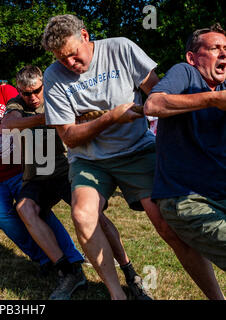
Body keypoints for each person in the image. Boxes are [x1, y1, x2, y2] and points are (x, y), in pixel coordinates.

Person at [42, 14, 225, 300]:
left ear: (86, 37)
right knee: (82, 214)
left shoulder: (121, 48)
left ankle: (215, 297)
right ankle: (119, 294)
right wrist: (110, 118)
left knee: (168, 223)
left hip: (138, 148)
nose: (69, 64)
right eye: (61, 58)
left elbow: (158, 96)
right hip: (89, 159)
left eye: (73, 55)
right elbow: (68, 136)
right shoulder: (53, 76)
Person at [0, 59, 80, 276]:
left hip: (19, 170)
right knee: (3, 218)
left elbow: (20, 109)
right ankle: (44, 258)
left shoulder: (6, 91)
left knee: (40, 211)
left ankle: (72, 257)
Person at [144, 24, 226, 294]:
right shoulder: (186, 73)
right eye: (215, 49)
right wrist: (213, 100)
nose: (224, 54)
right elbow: (153, 105)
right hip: (186, 197)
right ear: (193, 57)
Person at [1, 65, 89, 299]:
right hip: (37, 176)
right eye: (25, 93)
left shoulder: (56, 93)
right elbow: (8, 124)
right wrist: (46, 118)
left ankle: (125, 269)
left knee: (90, 216)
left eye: (36, 90)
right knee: (24, 208)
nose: (32, 97)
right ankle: (67, 271)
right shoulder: (16, 103)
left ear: (43, 84)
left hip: (65, 168)